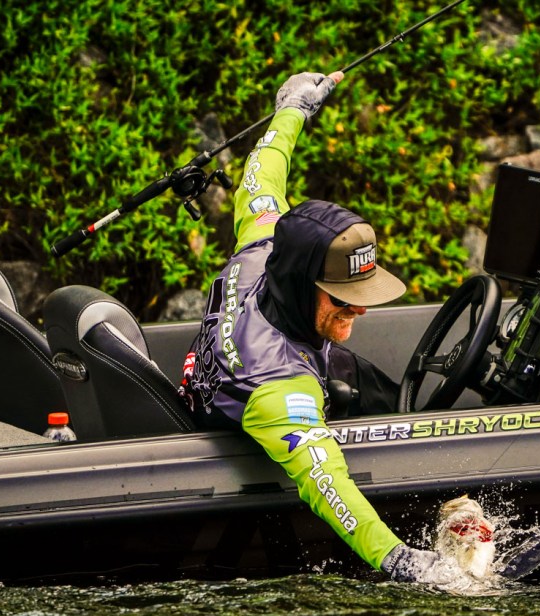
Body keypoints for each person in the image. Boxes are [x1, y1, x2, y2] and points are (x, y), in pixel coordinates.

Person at [180, 71, 457, 583]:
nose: (361, 311)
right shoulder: (280, 389)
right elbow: (328, 486)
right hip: (245, 413)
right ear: (303, 285)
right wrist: (400, 559)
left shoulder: (263, 243)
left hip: (249, 355)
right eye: (345, 299)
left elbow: (262, 172)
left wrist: (293, 108)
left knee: (360, 373)